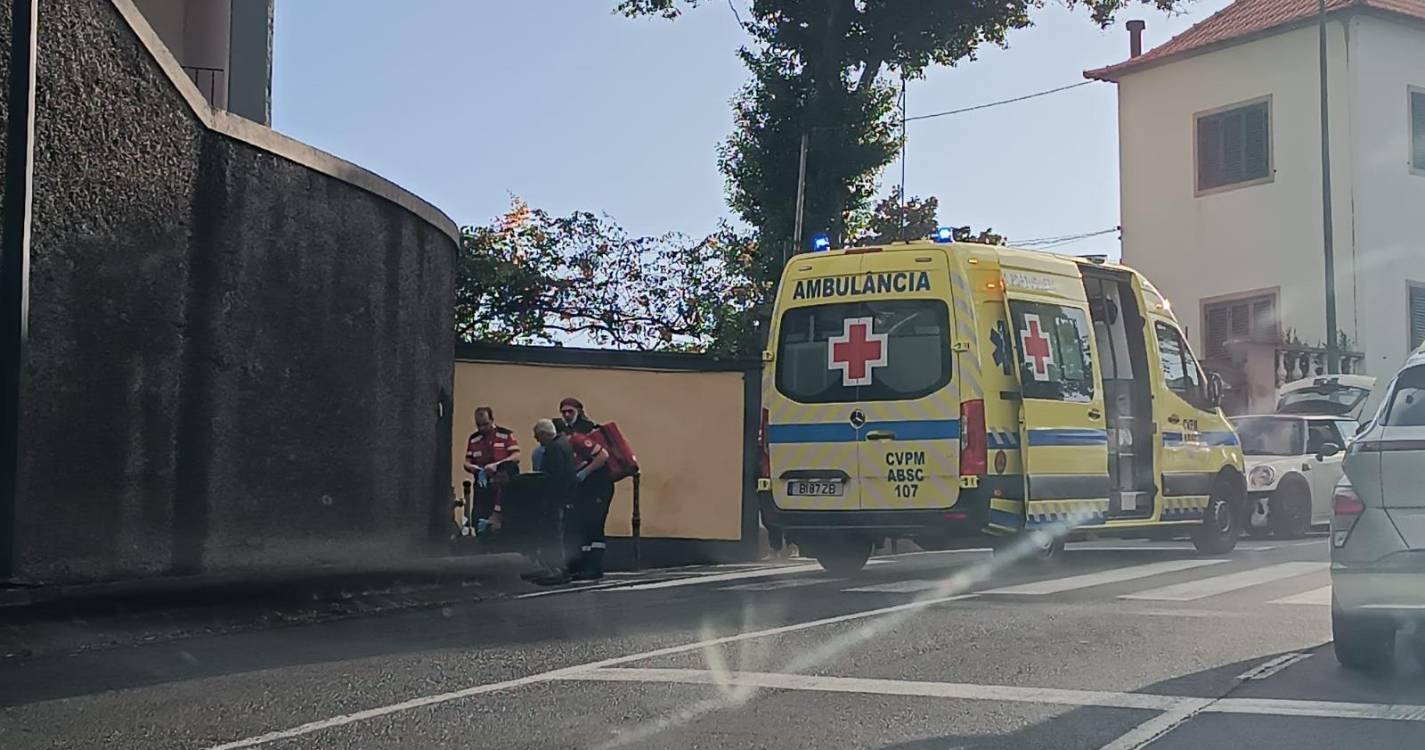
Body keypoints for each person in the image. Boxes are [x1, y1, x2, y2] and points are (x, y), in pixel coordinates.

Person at [560, 397, 615, 580]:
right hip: (585, 485)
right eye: (564, 412)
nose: (566, 415)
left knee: (595, 524)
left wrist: (584, 472)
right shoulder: (568, 431)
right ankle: (583, 565)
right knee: (583, 524)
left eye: (570, 411)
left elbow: (602, 456)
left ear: (579, 411)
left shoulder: (585, 429)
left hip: (599, 483)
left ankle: (595, 566)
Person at [530, 418, 579, 585]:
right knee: (557, 534)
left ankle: (557, 569)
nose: (537, 441)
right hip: (564, 497)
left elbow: (554, 476)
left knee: (552, 535)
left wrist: (544, 493)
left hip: (554, 499)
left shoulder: (553, 448)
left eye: (538, 436)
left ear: (544, 434)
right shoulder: (563, 443)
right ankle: (560, 569)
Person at [463, 406, 521, 532]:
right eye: (479, 425)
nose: (482, 428)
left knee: (501, 520)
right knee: (479, 519)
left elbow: (516, 456)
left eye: (485, 424)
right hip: (482, 487)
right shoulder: (474, 439)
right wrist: (476, 469)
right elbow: (467, 462)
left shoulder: (505, 435)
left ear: (492, 420)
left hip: (502, 485)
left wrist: (497, 465)